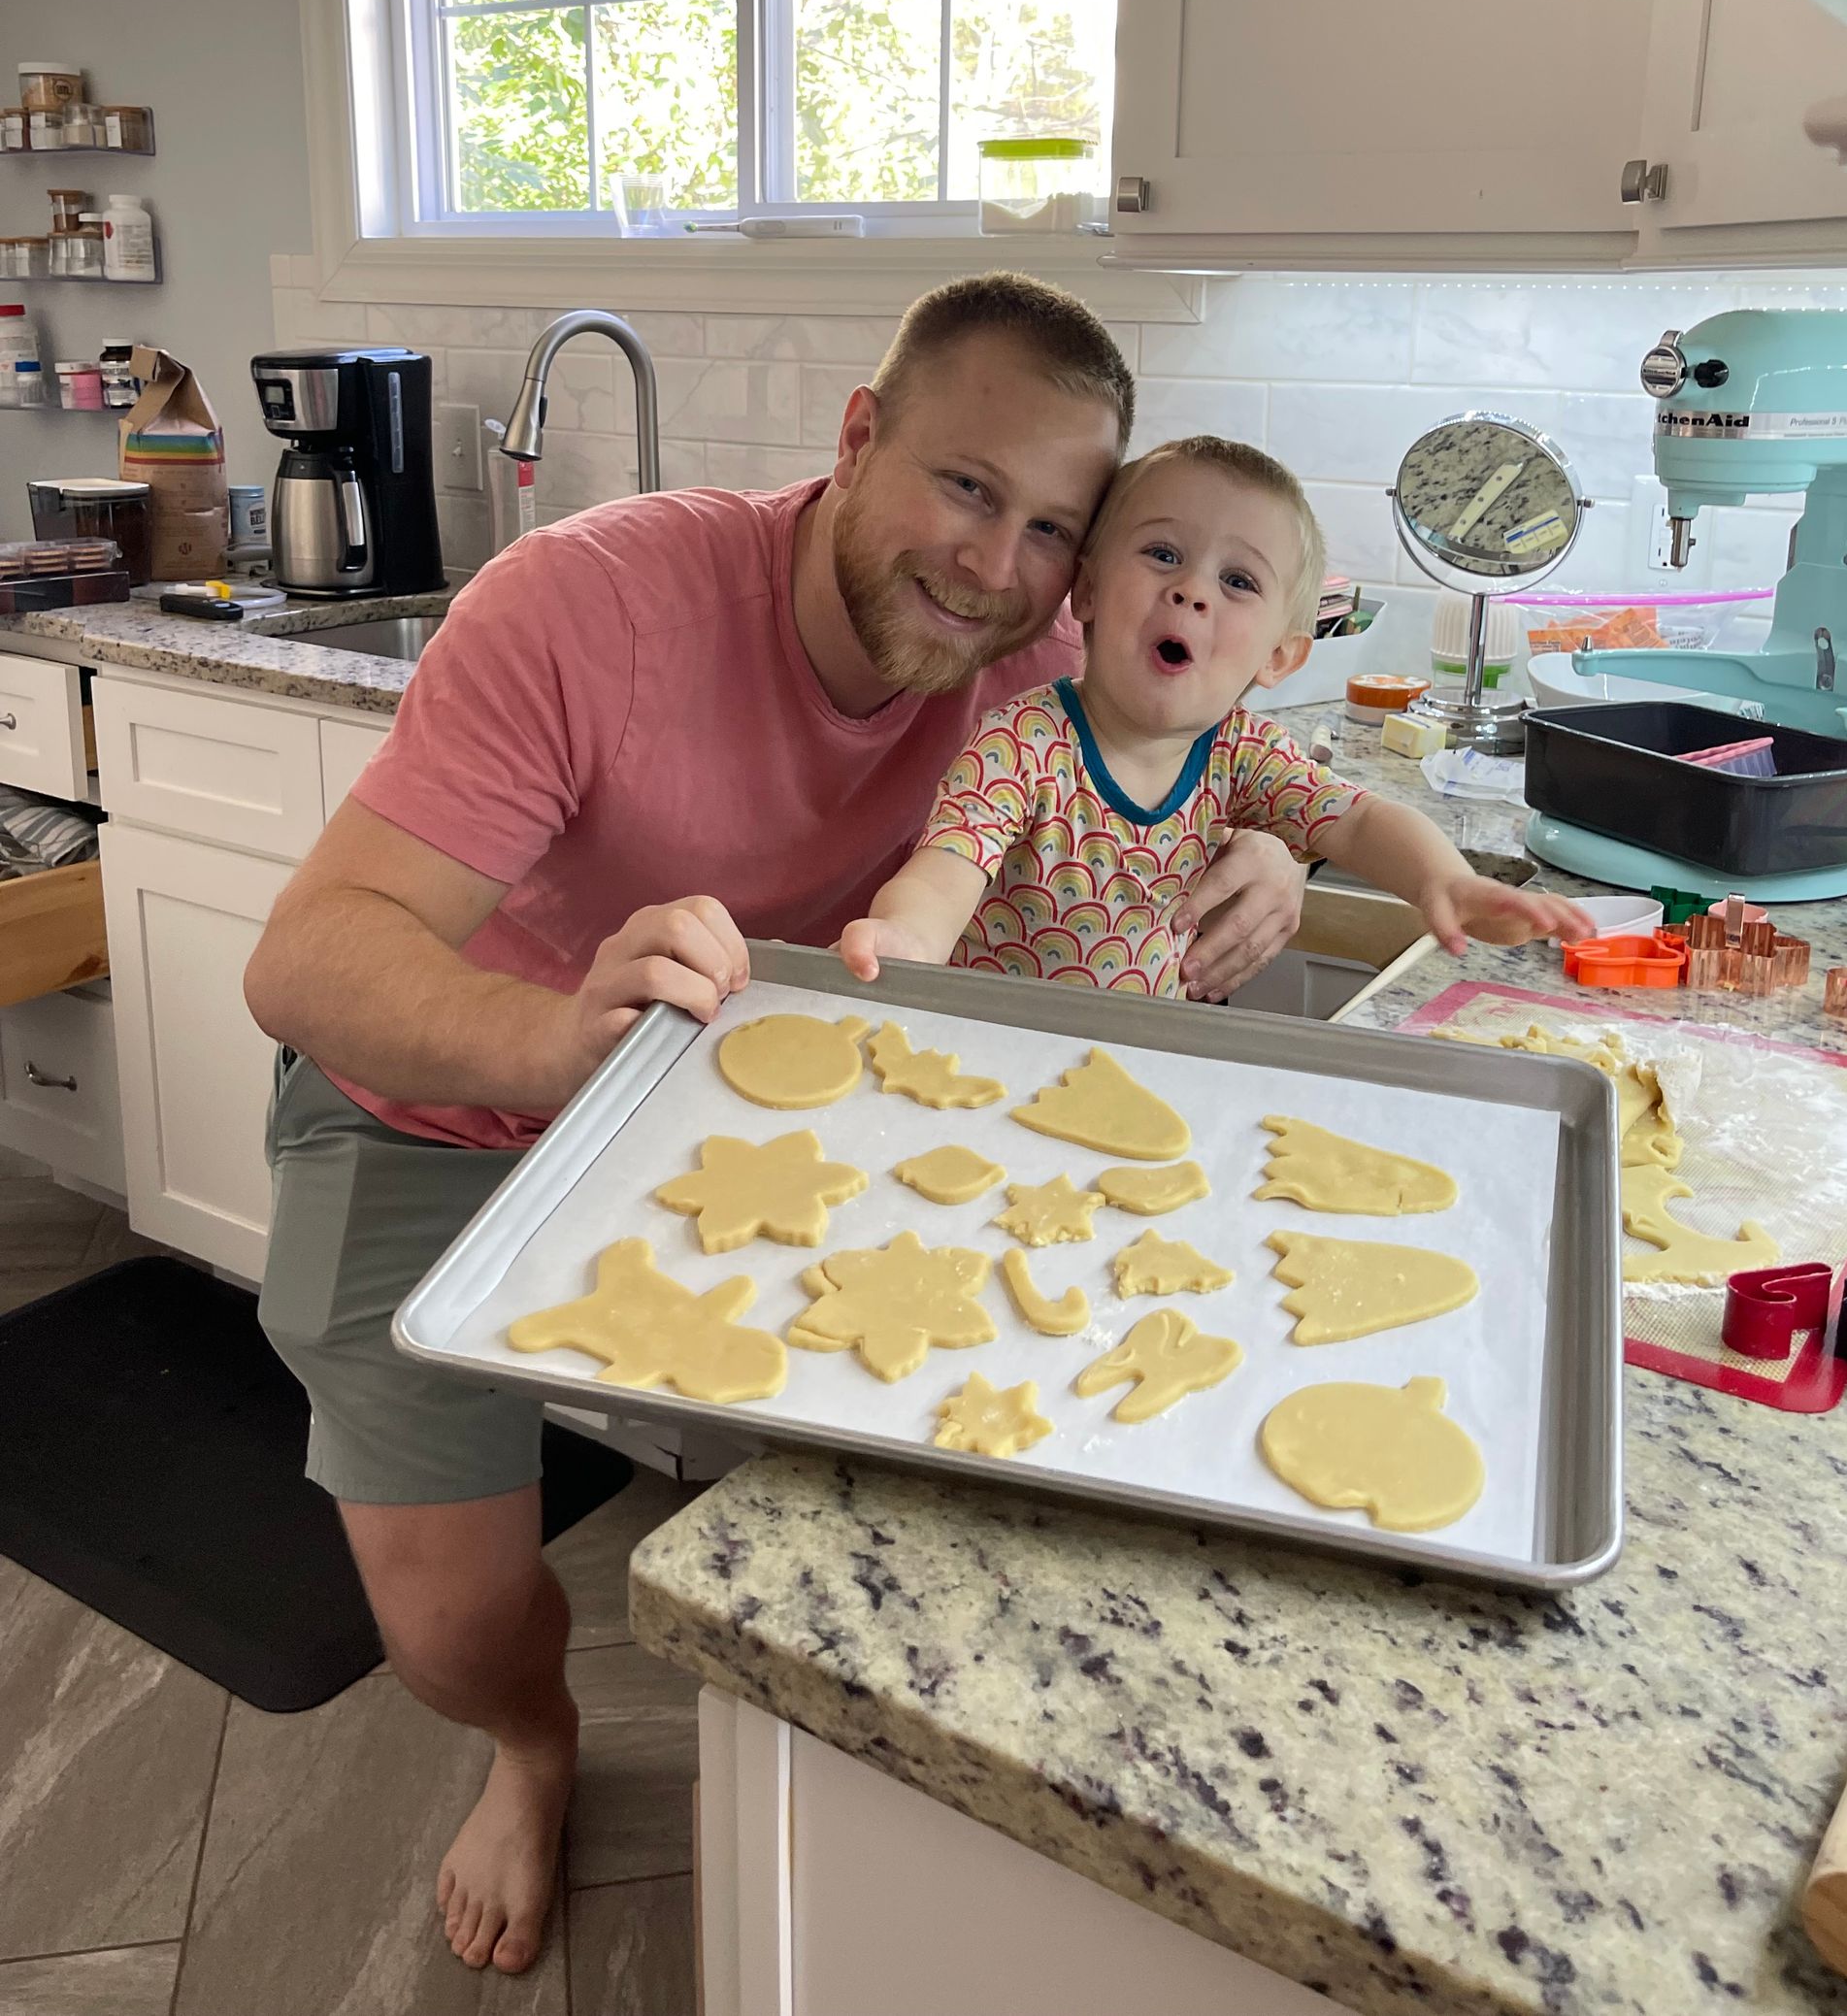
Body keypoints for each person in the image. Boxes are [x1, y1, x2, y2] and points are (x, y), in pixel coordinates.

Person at [241, 275, 1318, 1977]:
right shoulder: (589, 603)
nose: (996, 564)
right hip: (442, 1104)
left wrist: (1267, 846)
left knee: (885, 1530)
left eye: (1052, 526)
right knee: (447, 1617)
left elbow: (1212, 741)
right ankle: (532, 1740)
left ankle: (873, 1866)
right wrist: (561, 1038)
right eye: (964, 486)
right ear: (857, 434)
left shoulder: (1047, 640)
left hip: (773, 1111)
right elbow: (304, 960)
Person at [841, 434, 1593, 991]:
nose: (1192, 590)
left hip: (1146, 1064)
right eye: (1163, 554)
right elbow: (947, 869)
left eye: (1238, 580)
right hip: (997, 1058)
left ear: (1279, 657)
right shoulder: (1023, 744)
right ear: (1088, 592)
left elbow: (1361, 822)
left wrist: (1445, 883)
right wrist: (909, 936)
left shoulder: (1241, 756)